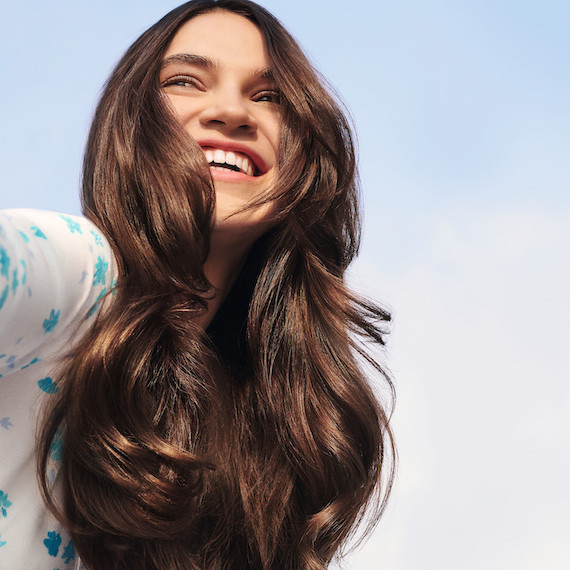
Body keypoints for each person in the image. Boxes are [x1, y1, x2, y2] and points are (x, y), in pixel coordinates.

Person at [0, 1, 395, 568]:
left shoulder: (273, 423)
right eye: (186, 81)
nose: (232, 111)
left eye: (269, 96)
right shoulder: (80, 273)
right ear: (131, 124)